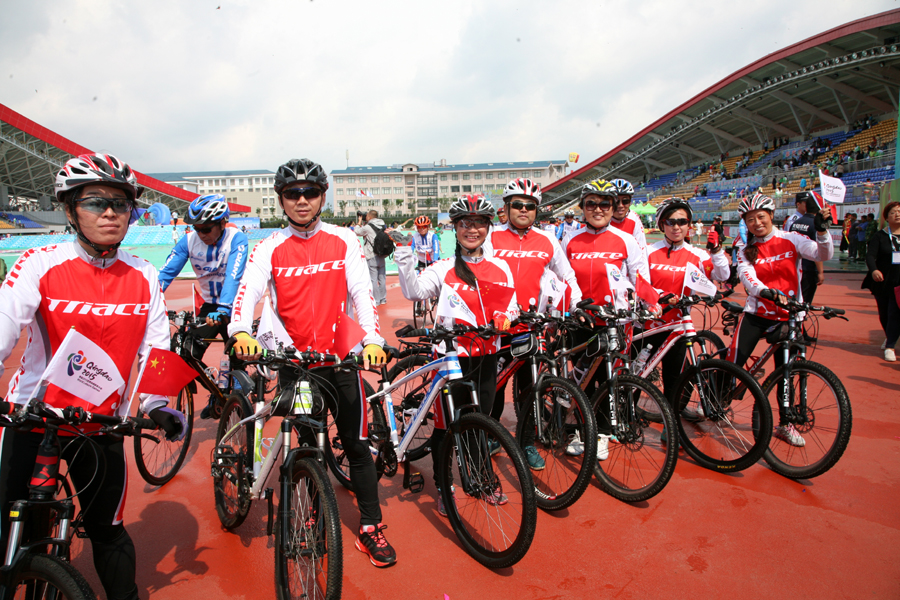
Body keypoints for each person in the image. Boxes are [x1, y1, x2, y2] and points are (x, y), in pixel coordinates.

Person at [0, 154, 180, 600]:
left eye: (121, 204)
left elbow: (157, 349)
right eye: (96, 202)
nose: (111, 213)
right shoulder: (39, 263)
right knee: (6, 526)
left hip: (101, 426)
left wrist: (156, 405)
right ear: (69, 210)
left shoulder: (144, 273)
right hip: (32, 419)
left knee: (109, 531)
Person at [228, 158, 396, 568]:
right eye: (292, 194)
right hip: (294, 364)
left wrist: (372, 340)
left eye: (309, 192)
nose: (301, 201)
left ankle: (371, 527)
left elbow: (362, 293)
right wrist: (241, 332)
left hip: (340, 361)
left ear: (322, 196)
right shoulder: (268, 247)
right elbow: (246, 293)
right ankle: (306, 513)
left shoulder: (343, 239)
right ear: (281, 200)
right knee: (304, 448)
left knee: (357, 446)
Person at [394, 195, 518, 515]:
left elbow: (511, 305)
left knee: (480, 421)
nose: (472, 229)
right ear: (455, 229)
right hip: (450, 359)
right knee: (445, 427)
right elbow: (415, 292)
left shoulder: (500, 266)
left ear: (489, 227)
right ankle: (444, 484)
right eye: (464, 223)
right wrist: (405, 255)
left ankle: (479, 479)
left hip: (487, 355)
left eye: (478, 223)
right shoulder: (444, 268)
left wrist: (507, 318)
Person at [484, 179, 582, 467]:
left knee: (530, 391)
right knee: (495, 389)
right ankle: (491, 435)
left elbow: (568, 278)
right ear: (507, 207)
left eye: (530, 206)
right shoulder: (491, 237)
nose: (524, 210)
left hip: (531, 329)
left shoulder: (548, 240)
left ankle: (526, 443)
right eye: (518, 204)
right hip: (496, 329)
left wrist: (574, 306)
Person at [727, 192, 834, 447]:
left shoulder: (791, 239)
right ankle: (716, 399)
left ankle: (785, 424)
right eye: (750, 219)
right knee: (733, 361)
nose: (756, 223)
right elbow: (747, 277)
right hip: (757, 313)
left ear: (771, 216)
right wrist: (765, 292)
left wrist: (821, 232)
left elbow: (823, 254)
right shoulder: (745, 249)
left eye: (761, 217)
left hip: (790, 317)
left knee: (786, 373)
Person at [563, 179, 651, 460]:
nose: (598, 209)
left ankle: (601, 434)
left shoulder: (626, 240)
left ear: (613, 207)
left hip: (613, 321)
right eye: (591, 203)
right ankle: (579, 431)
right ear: (582, 207)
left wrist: (653, 303)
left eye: (604, 203)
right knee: (582, 379)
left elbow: (641, 277)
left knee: (605, 379)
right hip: (581, 320)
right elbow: (561, 278)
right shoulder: (570, 239)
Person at [158, 194, 248, 419]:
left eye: (207, 229)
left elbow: (233, 278)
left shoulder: (237, 239)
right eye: (197, 228)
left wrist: (225, 309)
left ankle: (240, 393)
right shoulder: (188, 242)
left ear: (223, 223)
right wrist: (150, 302)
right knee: (187, 352)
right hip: (209, 307)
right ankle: (215, 392)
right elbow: (166, 274)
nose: (201, 234)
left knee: (238, 354)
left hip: (235, 304)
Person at [637, 198, 729, 401]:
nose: (676, 227)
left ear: (689, 224)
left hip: (678, 327)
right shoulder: (648, 252)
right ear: (662, 225)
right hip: (648, 326)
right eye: (670, 222)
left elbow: (722, 276)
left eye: (682, 221)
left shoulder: (697, 254)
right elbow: (640, 283)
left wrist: (717, 251)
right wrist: (659, 297)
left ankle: (670, 427)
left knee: (673, 380)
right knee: (637, 379)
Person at [862, 202, 900, 361]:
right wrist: (874, 270)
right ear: (886, 216)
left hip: (899, 282)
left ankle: (890, 346)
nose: (897, 214)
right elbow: (870, 256)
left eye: (899, 211)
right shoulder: (879, 236)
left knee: (895, 313)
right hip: (882, 281)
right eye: (893, 212)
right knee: (884, 314)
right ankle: (889, 336)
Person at [785, 191, 826, 306]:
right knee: (802, 300)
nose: (805, 204)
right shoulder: (797, 221)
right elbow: (819, 250)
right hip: (805, 265)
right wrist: (820, 272)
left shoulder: (796, 222)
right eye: (804, 202)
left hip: (797, 264)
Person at [355, 210, 388, 306]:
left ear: (369, 217)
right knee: (382, 279)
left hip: (371, 255)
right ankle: (383, 299)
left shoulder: (368, 227)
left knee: (373, 279)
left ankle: (376, 300)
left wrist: (359, 222)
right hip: (382, 254)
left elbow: (356, 231)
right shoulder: (383, 225)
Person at [609, 179, 648, 253]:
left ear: (630, 202)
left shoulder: (633, 217)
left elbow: (642, 248)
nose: (620, 205)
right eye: (616, 201)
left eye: (625, 201)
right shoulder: (601, 217)